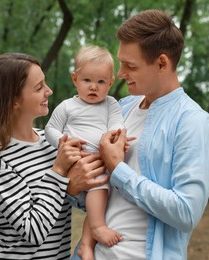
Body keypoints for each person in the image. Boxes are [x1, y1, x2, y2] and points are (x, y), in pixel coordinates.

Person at [73, 9, 209, 260]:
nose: (120, 73)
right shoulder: (120, 109)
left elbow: (186, 213)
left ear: (162, 63)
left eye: (130, 65)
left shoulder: (193, 123)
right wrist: (75, 186)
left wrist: (119, 169)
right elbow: (100, 191)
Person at [0, 53, 108, 260]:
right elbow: (33, 231)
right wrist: (59, 172)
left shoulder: (52, 141)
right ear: (13, 101)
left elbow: (81, 198)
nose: (49, 91)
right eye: (39, 88)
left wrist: (78, 186)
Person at [45, 45, 125, 258]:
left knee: (103, 190)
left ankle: (86, 245)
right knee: (99, 189)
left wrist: (114, 137)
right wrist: (64, 142)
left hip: (100, 159)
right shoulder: (67, 106)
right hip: (75, 159)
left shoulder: (110, 104)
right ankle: (97, 228)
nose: (93, 87)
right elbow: (50, 129)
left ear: (110, 82)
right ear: (75, 79)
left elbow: (117, 124)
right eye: (87, 80)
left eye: (100, 82)